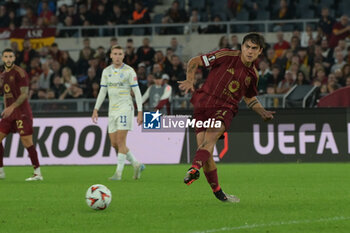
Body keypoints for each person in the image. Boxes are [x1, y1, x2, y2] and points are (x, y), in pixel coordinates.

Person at [178, 33, 275, 202]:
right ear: (242, 47)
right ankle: (219, 193)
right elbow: (194, 61)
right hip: (203, 105)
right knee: (205, 152)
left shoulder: (252, 75)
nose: (250, 51)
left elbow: (250, 97)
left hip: (225, 108)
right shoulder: (226, 55)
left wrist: (262, 111)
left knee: (209, 141)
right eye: (247, 47)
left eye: (254, 48)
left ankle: (194, 168)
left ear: (260, 51)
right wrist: (190, 80)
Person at [92, 45, 144, 181]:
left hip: (125, 108)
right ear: (110, 55)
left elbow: (137, 92)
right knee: (114, 144)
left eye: (120, 54)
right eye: (115, 54)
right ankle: (136, 163)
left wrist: (140, 111)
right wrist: (96, 109)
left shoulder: (129, 71)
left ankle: (118, 174)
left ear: (123, 56)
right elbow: (103, 91)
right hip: (112, 110)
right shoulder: (106, 71)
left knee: (121, 141)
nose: (117, 56)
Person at [0, 48, 43, 181]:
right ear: (2, 58)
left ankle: (37, 173)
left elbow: (24, 94)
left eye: (10, 56)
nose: (8, 59)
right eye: (6, 56)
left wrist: (11, 107)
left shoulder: (20, 73)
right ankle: (1, 171)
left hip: (22, 112)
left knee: (27, 142)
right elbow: (5, 93)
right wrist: (6, 108)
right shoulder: (2, 75)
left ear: (14, 58)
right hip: (9, 113)